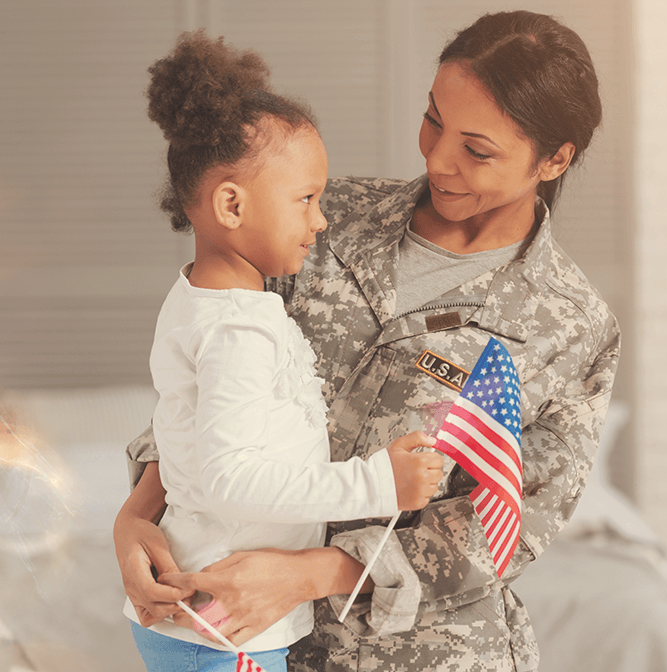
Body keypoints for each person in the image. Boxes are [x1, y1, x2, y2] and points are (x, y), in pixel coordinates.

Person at [114, 11, 620, 671]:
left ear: (553, 159)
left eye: (477, 150)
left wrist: (311, 573)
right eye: (433, 119)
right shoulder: (319, 217)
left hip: (419, 655)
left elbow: (508, 527)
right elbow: (214, 373)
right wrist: (137, 514)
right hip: (244, 639)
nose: (437, 158)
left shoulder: (572, 325)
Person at [120, 31, 444, 672]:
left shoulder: (217, 302)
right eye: (306, 199)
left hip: (214, 623)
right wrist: (376, 482)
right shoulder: (237, 330)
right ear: (231, 204)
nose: (320, 220)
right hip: (217, 632)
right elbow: (231, 480)